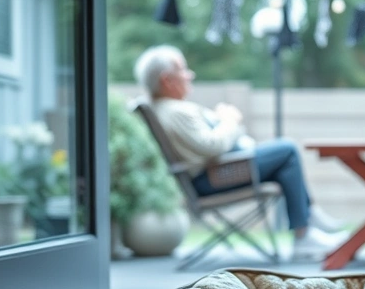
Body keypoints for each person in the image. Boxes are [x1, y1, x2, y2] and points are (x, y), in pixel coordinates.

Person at [133, 44, 346, 260]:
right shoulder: (175, 111)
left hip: (216, 173)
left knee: (284, 165)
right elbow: (211, 145)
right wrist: (229, 120)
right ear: (167, 80)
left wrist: (222, 121)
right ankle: (305, 229)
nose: (190, 76)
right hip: (212, 179)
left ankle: (306, 226)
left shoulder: (169, 108)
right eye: (183, 71)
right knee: (287, 150)